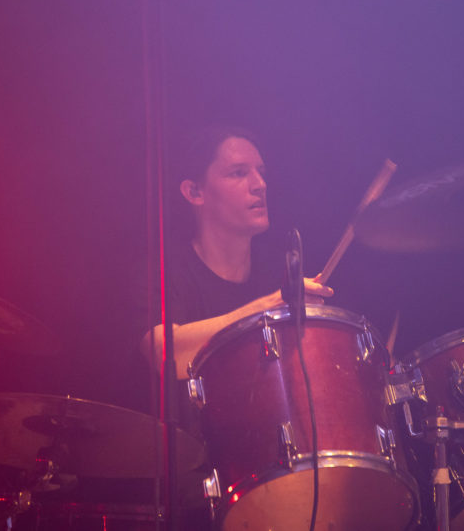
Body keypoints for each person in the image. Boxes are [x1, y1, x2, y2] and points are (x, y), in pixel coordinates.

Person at [141, 127, 333, 379]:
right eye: (239, 173)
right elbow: (164, 354)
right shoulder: (163, 271)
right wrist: (266, 310)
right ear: (194, 192)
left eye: (261, 172)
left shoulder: (277, 271)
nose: (260, 185)